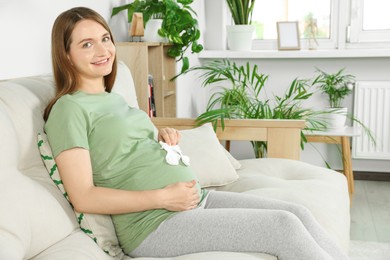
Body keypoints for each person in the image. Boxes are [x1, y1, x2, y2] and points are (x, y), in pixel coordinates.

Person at [44, 7, 349, 260]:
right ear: (66, 55)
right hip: (154, 224)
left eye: (105, 38)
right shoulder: (68, 110)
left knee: (298, 212)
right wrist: (163, 196)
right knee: (282, 227)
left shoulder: (114, 98)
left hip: (195, 199)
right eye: (86, 44)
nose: (102, 50)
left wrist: (160, 138)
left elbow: (120, 151)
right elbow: (84, 197)